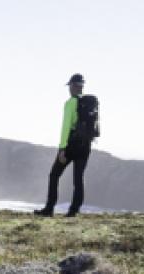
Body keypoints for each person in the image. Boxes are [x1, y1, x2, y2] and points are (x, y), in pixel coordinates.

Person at [34, 73, 96, 217]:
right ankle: (73, 211)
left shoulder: (71, 103)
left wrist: (62, 148)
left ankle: (49, 209)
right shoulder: (88, 103)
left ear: (74, 86)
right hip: (86, 145)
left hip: (72, 145)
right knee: (78, 179)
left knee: (54, 175)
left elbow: (66, 127)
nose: (70, 89)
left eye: (70, 86)